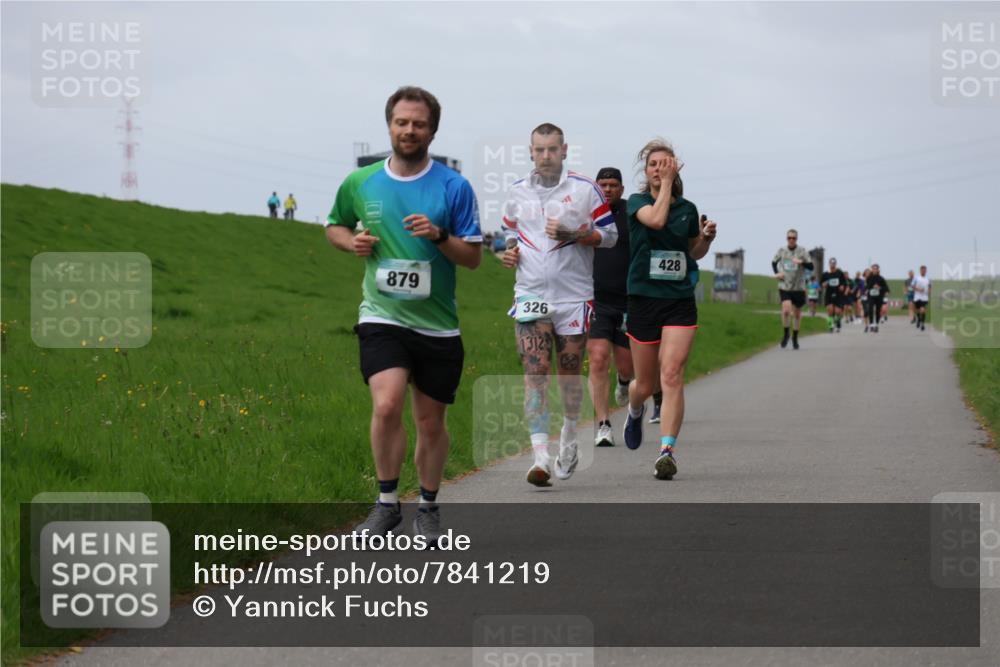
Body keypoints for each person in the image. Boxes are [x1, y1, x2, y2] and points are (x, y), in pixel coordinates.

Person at [324, 86, 482, 544]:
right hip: (382, 315)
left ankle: (428, 507)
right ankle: (387, 503)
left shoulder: (453, 187)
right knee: (387, 403)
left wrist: (438, 236)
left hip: (438, 325)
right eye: (401, 122)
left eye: (418, 124)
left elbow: (473, 258)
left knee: (430, 423)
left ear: (432, 131)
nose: (409, 130)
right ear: (389, 125)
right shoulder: (361, 182)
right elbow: (334, 225)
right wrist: (350, 242)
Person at [500, 123, 617, 486]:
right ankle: (540, 458)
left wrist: (574, 234)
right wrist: (509, 251)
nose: (546, 156)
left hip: (573, 297)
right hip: (531, 294)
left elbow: (610, 236)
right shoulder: (517, 191)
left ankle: (568, 436)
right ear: (530, 152)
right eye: (540, 150)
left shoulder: (585, 189)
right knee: (535, 375)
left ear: (564, 151)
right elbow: (509, 231)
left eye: (553, 149)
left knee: (568, 376)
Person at [622, 139, 717, 480]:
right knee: (645, 385)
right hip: (644, 298)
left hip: (679, 300)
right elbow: (657, 221)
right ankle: (635, 408)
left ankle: (667, 451)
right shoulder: (636, 203)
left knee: (673, 374)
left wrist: (705, 239)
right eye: (653, 165)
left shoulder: (688, 209)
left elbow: (692, 252)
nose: (659, 169)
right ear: (645, 171)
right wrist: (664, 186)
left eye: (665, 164)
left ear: (675, 168)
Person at [588, 167, 634, 447]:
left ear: (621, 188)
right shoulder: (588, 213)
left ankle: (624, 381)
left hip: (629, 299)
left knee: (627, 365)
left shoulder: (633, 213)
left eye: (613, 185)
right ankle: (603, 425)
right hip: (596, 298)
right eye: (602, 185)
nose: (607, 189)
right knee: (597, 358)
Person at [772, 230, 814, 349]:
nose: (791, 240)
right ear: (786, 238)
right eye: (789, 238)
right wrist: (777, 273)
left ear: (796, 239)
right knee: (786, 310)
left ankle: (795, 337)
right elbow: (774, 262)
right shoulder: (782, 250)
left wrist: (801, 262)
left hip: (798, 287)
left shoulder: (802, 251)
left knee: (797, 314)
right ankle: (786, 334)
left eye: (793, 238)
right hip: (784, 285)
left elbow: (811, 267)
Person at [821, 258, 846, 332]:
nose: (832, 265)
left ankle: (838, 323)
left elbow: (844, 282)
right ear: (829, 264)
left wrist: (842, 286)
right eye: (831, 263)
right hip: (829, 294)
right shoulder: (826, 274)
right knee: (830, 310)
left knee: (838, 312)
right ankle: (830, 326)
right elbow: (822, 283)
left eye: (834, 263)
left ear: (836, 264)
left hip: (838, 294)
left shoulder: (839, 273)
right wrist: (824, 284)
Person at [865, 264, 889, 333]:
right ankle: (871, 324)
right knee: (870, 309)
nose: (874, 270)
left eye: (876, 269)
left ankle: (876, 324)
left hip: (879, 297)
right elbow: (867, 286)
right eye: (873, 269)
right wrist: (872, 286)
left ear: (878, 270)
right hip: (871, 296)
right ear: (872, 270)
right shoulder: (869, 278)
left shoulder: (881, 278)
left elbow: (886, 288)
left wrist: (879, 287)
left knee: (878, 311)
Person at [911, 264, 931, 331]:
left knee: (922, 310)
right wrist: (918, 289)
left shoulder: (928, 279)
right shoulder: (916, 278)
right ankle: (918, 319)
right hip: (917, 297)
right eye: (922, 270)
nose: (923, 271)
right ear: (920, 271)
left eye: (924, 270)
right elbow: (912, 286)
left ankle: (922, 324)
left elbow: (930, 286)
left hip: (924, 297)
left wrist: (929, 292)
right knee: (917, 310)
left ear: (926, 271)